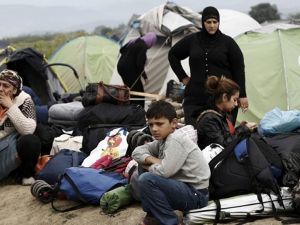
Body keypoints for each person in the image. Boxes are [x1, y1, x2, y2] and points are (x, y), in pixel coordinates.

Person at [132, 100, 210, 225]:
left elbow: (164, 172)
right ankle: (153, 215)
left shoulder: (175, 139)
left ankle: (170, 222)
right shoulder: (163, 140)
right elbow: (137, 152)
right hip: (184, 188)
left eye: (159, 124)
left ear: (173, 123)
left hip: (197, 196)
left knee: (146, 179)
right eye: (151, 125)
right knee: (143, 166)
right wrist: (152, 160)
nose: (154, 129)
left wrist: (149, 165)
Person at [168, 6, 248, 126]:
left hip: (222, 98)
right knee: (195, 132)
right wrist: (183, 77)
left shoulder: (228, 43)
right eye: (208, 22)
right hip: (195, 97)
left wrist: (242, 95)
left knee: (221, 134)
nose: (212, 25)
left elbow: (238, 69)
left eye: (215, 22)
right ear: (203, 22)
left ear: (218, 23)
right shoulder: (192, 40)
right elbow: (173, 54)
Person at [0, 69, 39, 184]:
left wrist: (11, 106)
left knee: (30, 140)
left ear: (15, 89)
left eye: (5, 86)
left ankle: (26, 175)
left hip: (9, 146)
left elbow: (28, 130)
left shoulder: (24, 100)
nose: (0, 89)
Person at [196, 76, 256, 150]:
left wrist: (241, 128)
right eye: (234, 100)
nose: (236, 104)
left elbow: (227, 138)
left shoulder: (225, 115)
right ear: (224, 97)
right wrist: (243, 129)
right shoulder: (208, 120)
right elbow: (221, 148)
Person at [117, 32, 157, 107]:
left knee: (130, 90)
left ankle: (128, 108)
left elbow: (121, 50)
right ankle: (137, 111)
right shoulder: (142, 46)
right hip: (128, 70)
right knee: (138, 92)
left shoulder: (134, 41)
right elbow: (139, 64)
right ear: (151, 41)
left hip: (120, 67)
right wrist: (145, 77)